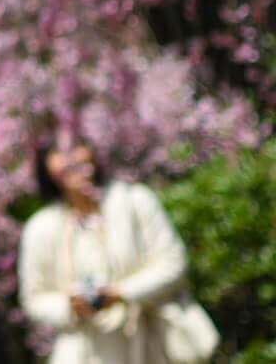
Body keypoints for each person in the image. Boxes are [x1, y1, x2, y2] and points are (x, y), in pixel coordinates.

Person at [18, 133, 197, 364]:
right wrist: (70, 306)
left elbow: (173, 263)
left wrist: (121, 293)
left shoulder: (135, 201)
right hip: (84, 351)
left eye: (76, 146)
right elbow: (34, 298)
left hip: (147, 343)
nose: (70, 159)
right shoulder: (41, 227)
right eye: (57, 152)